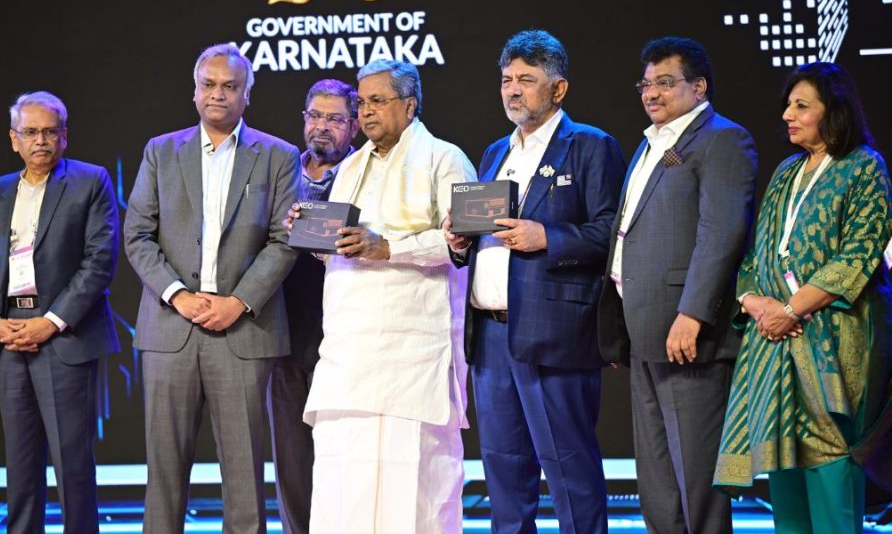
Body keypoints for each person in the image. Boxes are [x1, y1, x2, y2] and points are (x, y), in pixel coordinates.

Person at [445, 29, 625, 534]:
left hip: (554, 333)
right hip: (491, 335)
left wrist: (547, 235)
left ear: (559, 89)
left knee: (568, 466)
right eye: (506, 80)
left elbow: (611, 233)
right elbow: (483, 237)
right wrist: (460, 244)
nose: (513, 90)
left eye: (527, 79)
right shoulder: (493, 152)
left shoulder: (590, 146)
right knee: (503, 469)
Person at [124, 43, 299, 534]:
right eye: (209, 85)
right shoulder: (160, 151)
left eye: (229, 86)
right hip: (170, 330)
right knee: (164, 472)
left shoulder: (279, 156)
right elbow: (137, 234)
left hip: (243, 333)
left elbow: (286, 239)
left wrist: (238, 302)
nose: (217, 94)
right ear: (195, 90)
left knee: (245, 474)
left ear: (247, 94)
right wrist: (178, 294)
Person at [295, 59, 477, 534]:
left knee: (413, 492)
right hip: (348, 356)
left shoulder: (446, 158)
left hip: (411, 358)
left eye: (378, 100)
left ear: (410, 104)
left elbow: (463, 244)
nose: (367, 111)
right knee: (342, 490)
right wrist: (313, 234)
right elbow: (340, 246)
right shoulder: (350, 165)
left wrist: (389, 246)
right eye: (362, 102)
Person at [713, 62, 892, 533]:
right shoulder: (786, 172)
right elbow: (754, 258)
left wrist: (791, 309)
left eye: (801, 106)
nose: (788, 115)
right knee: (783, 461)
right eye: (788, 105)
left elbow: (858, 255)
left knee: (830, 463)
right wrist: (757, 305)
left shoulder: (864, 167)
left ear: (832, 111)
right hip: (772, 342)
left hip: (833, 340)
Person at [596, 37, 758, 534]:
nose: (652, 93)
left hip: (689, 334)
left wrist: (693, 314)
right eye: (646, 84)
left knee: (698, 475)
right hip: (644, 330)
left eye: (665, 83)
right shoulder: (653, 143)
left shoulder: (722, 139)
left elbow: (721, 234)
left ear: (699, 86)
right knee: (658, 478)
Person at [0, 91, 120, 533]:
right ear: (14, 139)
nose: (41, 141)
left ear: (65, 137)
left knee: (72, 464)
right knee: (19, 466)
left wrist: (49, 323)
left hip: (63, 337)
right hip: (9, 337)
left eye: (50, 131)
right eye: (30, 132)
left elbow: (99, 262)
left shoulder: (91, 182)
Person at [270, 78, 359, 534]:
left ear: (355, 125)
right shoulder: (280, 170)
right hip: (284, 333)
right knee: (291, 457)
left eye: (335, 119)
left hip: (346, 339)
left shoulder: (364, 173)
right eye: (315, 116)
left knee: (344, 456)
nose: (322, 127)